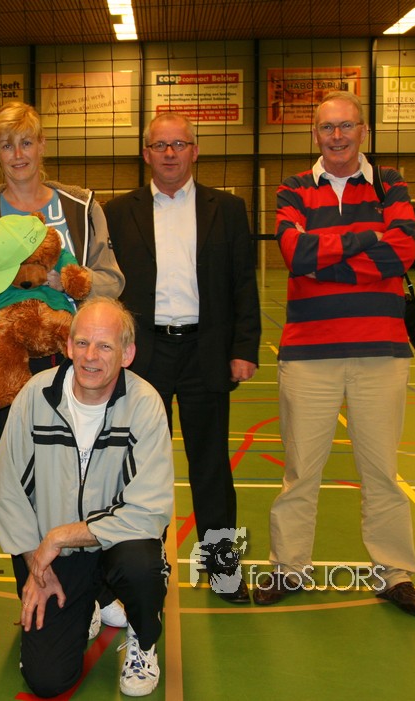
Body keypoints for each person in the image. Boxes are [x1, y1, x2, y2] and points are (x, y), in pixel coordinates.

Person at [254, 91, 415, 617]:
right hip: (308, 354)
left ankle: (394, 574)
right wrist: (368, 237)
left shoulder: (389, 182)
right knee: (300, 472)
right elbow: (296, 254)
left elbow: (402, 250)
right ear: (315, 134)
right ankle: (289, 567)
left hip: (382, 352)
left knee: (382, 473)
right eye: (327, 127)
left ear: (363, 131)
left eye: (346, 126)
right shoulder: (292, 188)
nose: (337, 136)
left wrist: (327, 257)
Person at [103, 112, 260, 604]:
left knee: (211, 466)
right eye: (160, 145)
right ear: (145, 154)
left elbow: (243, 283)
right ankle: (134, 570)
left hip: (205, 352)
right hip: (141, 354)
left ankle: (222, 569)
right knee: (134, 466)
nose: (169, 153)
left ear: (195, 150)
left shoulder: (227, 209)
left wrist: (243, 348)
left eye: (179, 144)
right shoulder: (116, 212)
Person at [0, 297, 173, 698]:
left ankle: (143, 638)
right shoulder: (35, 395)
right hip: (53, 558)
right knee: (46, 680)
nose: (91, 356)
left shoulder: (144, 404)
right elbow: (7, 492)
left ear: (127, 354)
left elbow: (150, 509)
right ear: (69, 347)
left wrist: (61, 535)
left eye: (105, 346)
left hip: (115, 545)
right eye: (83, 343)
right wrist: (35, 564)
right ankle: (89, 603)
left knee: (141, 565)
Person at [0, 101, 125, 439]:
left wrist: (68, 282)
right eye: (7, 146)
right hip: (11, 357)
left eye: (26, 142)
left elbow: (113, 281)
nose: (18, 154)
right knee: (19, 461)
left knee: (77, 460)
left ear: (42, 145)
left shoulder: (81, 208)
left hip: (77, 356)